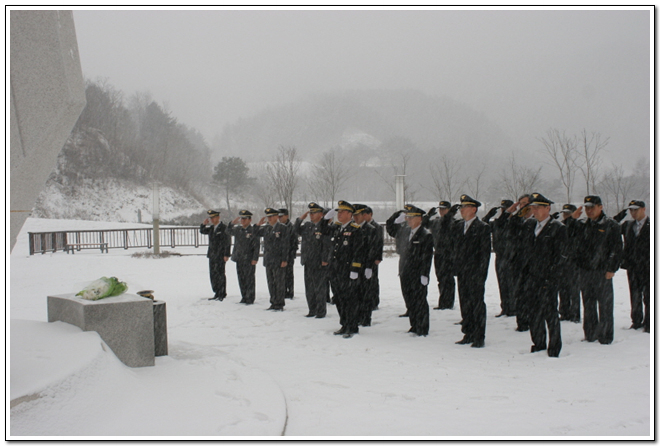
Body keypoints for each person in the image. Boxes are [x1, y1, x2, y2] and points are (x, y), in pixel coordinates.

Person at [570, 195, 622, 344]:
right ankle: (591, 333)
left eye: (592, 207)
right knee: (588, 304)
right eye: (587, 207)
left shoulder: (611, 225)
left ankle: (605, 336)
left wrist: (611, 268)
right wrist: (572, 219)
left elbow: (617, 249)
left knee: (605, 305)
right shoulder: (582, 224)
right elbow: (567, 235)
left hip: (602, 271)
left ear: (600, 207)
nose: (589, 210)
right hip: (585, 270)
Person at [520, 193, 567, 357]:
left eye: (538, 207)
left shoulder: (558, 228)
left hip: (548, 278)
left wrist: (552, 276)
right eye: (533, 207)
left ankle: (554, 347)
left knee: (550, 313)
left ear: (548, 208)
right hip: (531, 277)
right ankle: (538, 343)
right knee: (534, 313)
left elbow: (561, 256)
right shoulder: (529, 225)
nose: (535, 211)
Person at [452, 194, 491, 348]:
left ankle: (479, 336)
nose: (461, 210)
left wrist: (481, 274)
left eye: (465, 207)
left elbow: (484, 254)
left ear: (474, 209)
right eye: (461, 207)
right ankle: (468, 333)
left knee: (477, 304)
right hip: (463, 272)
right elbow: (456, 249)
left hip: (475, 273)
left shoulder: (482, 228)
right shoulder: (458, 226)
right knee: (465, 303)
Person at [323, 200, 366, 338]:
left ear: (349, 214)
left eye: (342, 212)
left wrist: (355, 269)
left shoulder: (355, 230)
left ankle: (352, 326)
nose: (339, 214)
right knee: (339, 298)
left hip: (347, 271)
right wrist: (325, 218)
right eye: (338, 212)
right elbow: (323, 230)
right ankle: (344, 323)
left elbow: (359, 251)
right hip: (335, 270)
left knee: (350, 299)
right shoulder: (337, 228)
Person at [397, 204, 434, 336]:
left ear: (420, 219)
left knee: (419, 301)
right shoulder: (406, 232)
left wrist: (424, 274)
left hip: (417, 274)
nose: (409, 220)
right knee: (409, 300)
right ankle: (414, 325)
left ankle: (422, 327)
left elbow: (426, 257)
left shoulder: (425, 235)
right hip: (405, 272)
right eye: (408, 217)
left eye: (412, 217)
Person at [293, 202, 332, 318]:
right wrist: (300, 219)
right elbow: (295, 230)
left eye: (314, 213)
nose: (311, 215)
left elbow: (327, 244)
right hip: (308, 260)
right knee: (309, 287)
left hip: (319, 261)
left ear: (321, 214)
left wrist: (325, 258)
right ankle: (312, 309)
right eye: (310, 213)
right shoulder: (307, 226)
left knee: (319, 287)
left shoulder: (324, 226)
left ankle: (320, 311)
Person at [618, 200, 650, 333]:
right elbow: (611, 229)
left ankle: (649, 322)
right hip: (633, 266)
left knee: (649, 295)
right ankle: (636, 321)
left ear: (643, 209)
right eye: (631, 210)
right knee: (635, 294)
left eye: (636, 209)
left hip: (648, 266)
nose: (633, 212)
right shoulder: (627, 225)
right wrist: (617, 218)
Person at [504, 194, 533, 332]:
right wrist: (510, 213)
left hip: (533, 264)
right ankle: (522, 322)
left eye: (526, 203)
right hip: (518, 262)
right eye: (521, 204)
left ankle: (533, 320)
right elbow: (501, 227)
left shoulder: (537, 222)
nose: (523, 206)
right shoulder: (516, 221)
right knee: (519, 293)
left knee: (532, 295)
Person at [423, 201, 459, 310]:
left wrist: (450, 215)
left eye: (444, 209)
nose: (441, 211)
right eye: (440, 209)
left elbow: (446, 224)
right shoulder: (436, 222)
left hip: (449, 254)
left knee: (448, 279)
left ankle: (448, 303)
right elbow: (424, 224)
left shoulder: (453, 222)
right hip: (438, 253)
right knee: (441, 279)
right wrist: (428, 215)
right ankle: (443, 301)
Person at [482, 199, 515, 317]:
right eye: (502, 209)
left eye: (506, 208)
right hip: (500, 256)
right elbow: (483, 226)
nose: (503, 211)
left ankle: (513, 308)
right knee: (502, 283)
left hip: (511, 256)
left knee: (511, 284)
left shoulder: (514, 222)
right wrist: (488, 216)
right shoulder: (497, 223)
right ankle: (505, 307)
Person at [255, 208, 291, 311]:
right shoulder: (266, 228)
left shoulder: (282, 228)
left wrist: (284, 259)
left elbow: (285, 244)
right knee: (271, 282)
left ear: (276, 217)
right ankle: (273, 302)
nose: (269, 218)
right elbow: (255, 233)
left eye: (271, 216)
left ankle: (279, 303)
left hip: (278, 260)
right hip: (269, 259)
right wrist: (258, 225)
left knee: (279, 283)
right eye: (268, 217)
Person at [352, 204, 379, 327]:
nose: (355, 217)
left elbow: (372, 249)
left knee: (366, 292)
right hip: (355, 265)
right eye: (354, 215)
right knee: (356, 293)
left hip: (366, 265)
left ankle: (366, 318)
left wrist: (369, 266)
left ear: (364, 215)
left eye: (357, 215)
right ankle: (357, 316)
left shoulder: (370, 229)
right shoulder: (353, 228)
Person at [226, 210, 260, 305]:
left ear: (250, 220)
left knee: (249, 279)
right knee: (241, 278)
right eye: (241, 219)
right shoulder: (238, 229)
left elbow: (256, 246)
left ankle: (250, 297)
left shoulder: (253, 230)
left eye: (245, 219)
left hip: (249, 259)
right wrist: (232, 224)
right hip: (239, 258)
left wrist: (255, 258)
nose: (243, 220)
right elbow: (228, 231)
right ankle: (244, 296)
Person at [386, 208, 413, 317]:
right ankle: (409, 308)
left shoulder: (415, 227)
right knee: (404, 284)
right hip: (403, 258)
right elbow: (389, 226)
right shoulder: (401, 227)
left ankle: (415, 309)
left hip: (413, 258)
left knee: (413, 286)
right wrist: (396, 215)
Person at [199, 209, 231, 301]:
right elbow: (202, 231)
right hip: (212, 254)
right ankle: (216, 292)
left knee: (220, 274)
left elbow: (227, 242)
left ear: (218, 217)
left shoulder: (224, 228)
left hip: (220, 255)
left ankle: (222, 293)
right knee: (213, 274)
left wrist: (226, 254)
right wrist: (203, 224)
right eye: (211, 218)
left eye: (213, 218)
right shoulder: (211, 228)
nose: (212, 220)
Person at [557, 204, 581, 322]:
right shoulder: (561, 225)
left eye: (568, 213)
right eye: (564, 213)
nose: (566, 215)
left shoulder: (578, 225)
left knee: (574, 290)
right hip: (562, 261)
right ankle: (564, 312)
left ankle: (575, 314)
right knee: (563, 289)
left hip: (574, 261)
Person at [364, 207, 384, 311]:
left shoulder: (377, 227)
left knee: (373, 280)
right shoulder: (362, 226)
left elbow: (379, 243)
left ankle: (374, 302)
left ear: (370, 214)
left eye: (365, 214)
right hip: (364, 257)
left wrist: (378, 257)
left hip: (373, 257)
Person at [279, 208, 298, 300]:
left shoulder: (291, 227)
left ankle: (290, 291)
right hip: (280, 255)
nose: (280, 218)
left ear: (286, 216)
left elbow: (294, 242)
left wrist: (291, 254)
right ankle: (282, 291)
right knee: (280, 275)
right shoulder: (278, 227)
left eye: (281, 216)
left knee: (289, 274)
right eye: (278, 216)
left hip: (289, 255)